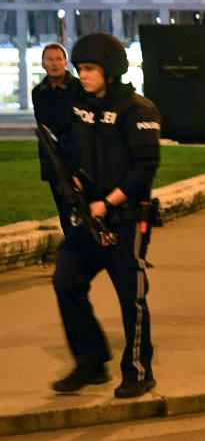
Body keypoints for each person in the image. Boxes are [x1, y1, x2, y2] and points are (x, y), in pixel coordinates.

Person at [51, 33, 162, 398]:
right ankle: (91, 362)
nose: (82, 75)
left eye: (90, 69)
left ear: (110, 71)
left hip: (126, 218)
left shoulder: (138, 109)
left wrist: (108, 202)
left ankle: (137, 371)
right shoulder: (79, 106)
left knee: (131, 296)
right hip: (88, 218)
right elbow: (72, 151)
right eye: (80, 69)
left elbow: (145, 167)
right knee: (66, 281)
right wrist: (78, 182)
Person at [32, 42, 81, 232]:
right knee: (63, 208)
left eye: (58, 59)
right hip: (52, 158)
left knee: (82, 207)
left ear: (65, 62)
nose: (54, 63)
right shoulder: (39, 92)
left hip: (77, 157)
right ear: (43, 64)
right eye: (50, 59)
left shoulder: (79, 89)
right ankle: (73, 252)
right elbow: (41, 123)